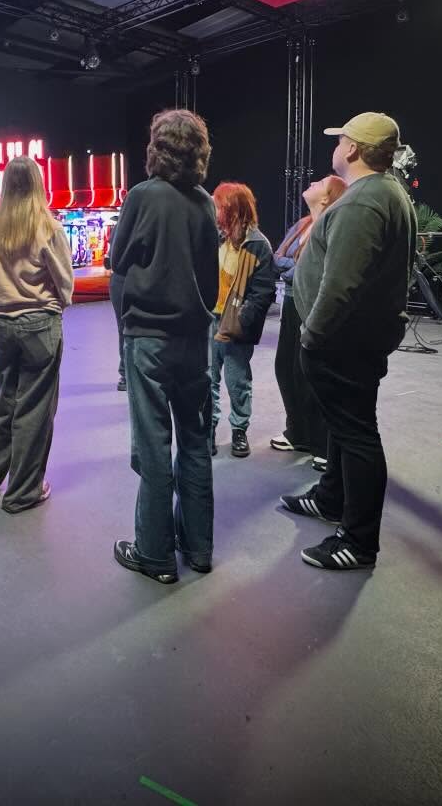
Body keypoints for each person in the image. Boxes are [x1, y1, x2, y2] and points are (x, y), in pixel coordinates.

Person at [279, 112, 416, 571]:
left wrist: (311, 336)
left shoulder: (364, 201)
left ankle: (358, 541)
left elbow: (341, 284)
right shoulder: (384, 193)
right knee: (345, 427)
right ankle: (331, 498)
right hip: (357, 338)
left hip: (343, 341)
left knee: (357, 434)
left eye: (340, 141)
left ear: (353, 149)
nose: (335, 148)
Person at [110, 109, 220, 584]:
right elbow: (212, 280)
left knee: (153, 446)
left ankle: (154, 555)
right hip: (194, 342)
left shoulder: (142, 196)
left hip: (149, 340)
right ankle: (198, 549)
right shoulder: (205, 203)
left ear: (157, 146)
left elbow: (117, 260)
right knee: (195, 443)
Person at [0, 155, 74, 511]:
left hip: (1, 323)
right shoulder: (47, 226)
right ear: (37, 183)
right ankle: (24, 490)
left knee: (3, 400)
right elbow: (64, 282)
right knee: (34, 409)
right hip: (40, 323)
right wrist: (58, 302)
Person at [270, 175, 347, 465]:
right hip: (290, 303)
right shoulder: (302, 225)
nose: (312, 184)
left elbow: (315, 268)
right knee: (285, 369)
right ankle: (298, 432)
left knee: (308, 374)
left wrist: (295, 268)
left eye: (319, 184)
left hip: (311, 304)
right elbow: (277, 259)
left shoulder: (333, 226)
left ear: (327, 197)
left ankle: (322, 444)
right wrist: (298, 267)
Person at [207, 182, 276, 458]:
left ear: (231, 209)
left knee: (237, 382)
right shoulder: (213, 238)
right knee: (206, 380)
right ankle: (208, 430)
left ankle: (239, 430)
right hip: (209, 319)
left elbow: (263, 293)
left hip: (236, 326)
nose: (213, 209)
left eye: (218, 204)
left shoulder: (259, 245)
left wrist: (240, 321)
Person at [105, 216, 126, 390]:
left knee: (124, 329)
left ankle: (126, 374)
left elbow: (112, 258)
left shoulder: (122, 224)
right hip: (125, 281)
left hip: (121, 280)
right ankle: (127, 374)